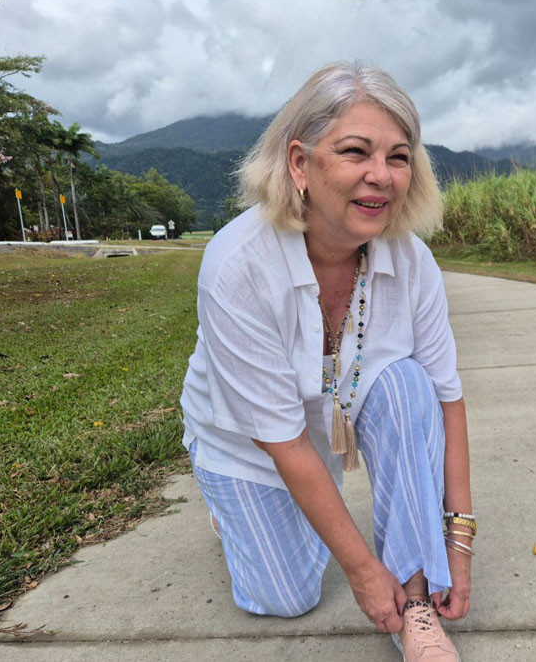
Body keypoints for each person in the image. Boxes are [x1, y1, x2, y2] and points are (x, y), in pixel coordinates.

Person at [179, 61, 473, 661]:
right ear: (299, 163)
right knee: (284, 595)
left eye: (398, 156)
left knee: (407, 385)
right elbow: (283, 441)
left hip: (339, 415)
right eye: (355, 151)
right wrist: (363, 569)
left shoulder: (411, 260)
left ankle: (416, 606)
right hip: (251, 442)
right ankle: (229, 513)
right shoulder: (238, 265)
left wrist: (458, 542)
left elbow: (447, 398)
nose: (381, 176)